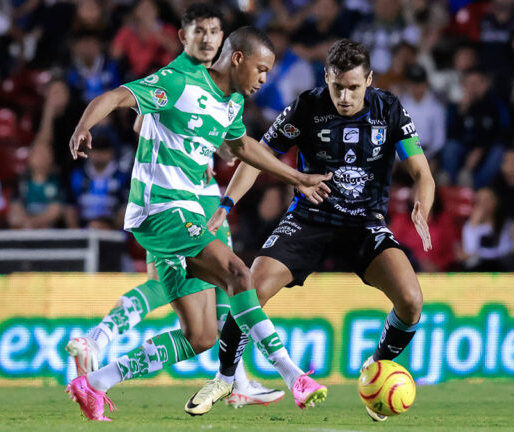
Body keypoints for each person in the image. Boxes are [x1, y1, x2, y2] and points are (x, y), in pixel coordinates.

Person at [64, 26, 332, 422]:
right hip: (162, 209)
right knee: (239, 274)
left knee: (202, 335)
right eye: (261, 69)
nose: (264, 79)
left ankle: (95, 383)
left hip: (190, 211)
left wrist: (296, 177)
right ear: (237, 58)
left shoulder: (230, 104)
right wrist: (84, 125)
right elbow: (120, 96)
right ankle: (293, 376)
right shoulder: (180, 81)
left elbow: (242, 148)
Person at [198, 39, 434, 422]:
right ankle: (226, 377)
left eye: (354, 88)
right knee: (249, 290)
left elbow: (422, 172)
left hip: (364, 225)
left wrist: (424, 200)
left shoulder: (389, 109)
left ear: (369, 81)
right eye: (337, 86)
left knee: (411, 301)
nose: (344, 96)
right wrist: (227, 202)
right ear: (327, 78)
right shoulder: (307, 106)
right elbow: (257, 155)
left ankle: (375, 369)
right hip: (310, 220)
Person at [8, 144, 64, 229]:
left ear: (51, 158)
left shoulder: (57, 182)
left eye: (45, 154)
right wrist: (26, 223)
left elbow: (55, 212)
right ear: (30, 157)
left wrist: (34, 222)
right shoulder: (20, 181)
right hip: (25, 229)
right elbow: (15, 210)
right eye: (38, 154)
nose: (42, 158)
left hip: (48, 230)